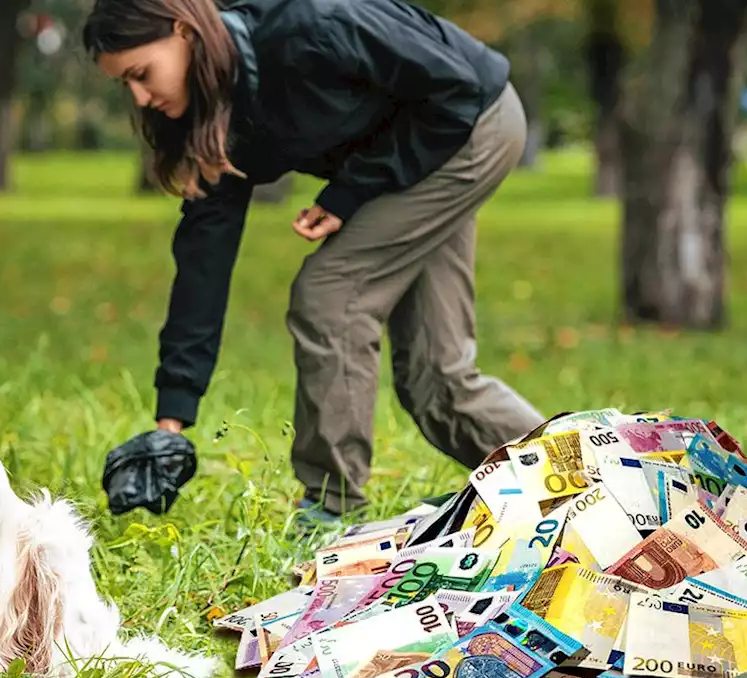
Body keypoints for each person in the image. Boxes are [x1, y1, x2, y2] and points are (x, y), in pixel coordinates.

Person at [82, 0, 547, 527]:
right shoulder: (212, 114)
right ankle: (582, 480)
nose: (141, 97)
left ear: (185, 32)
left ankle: (330, 509)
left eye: (142, 74)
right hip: (416, 147)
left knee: (330, 296)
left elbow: (455, 90)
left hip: (468, 125)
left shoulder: (309, 30)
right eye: (126, 85)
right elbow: (203, 263)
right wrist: (172, 423)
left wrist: (348, 194)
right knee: (435, 376)